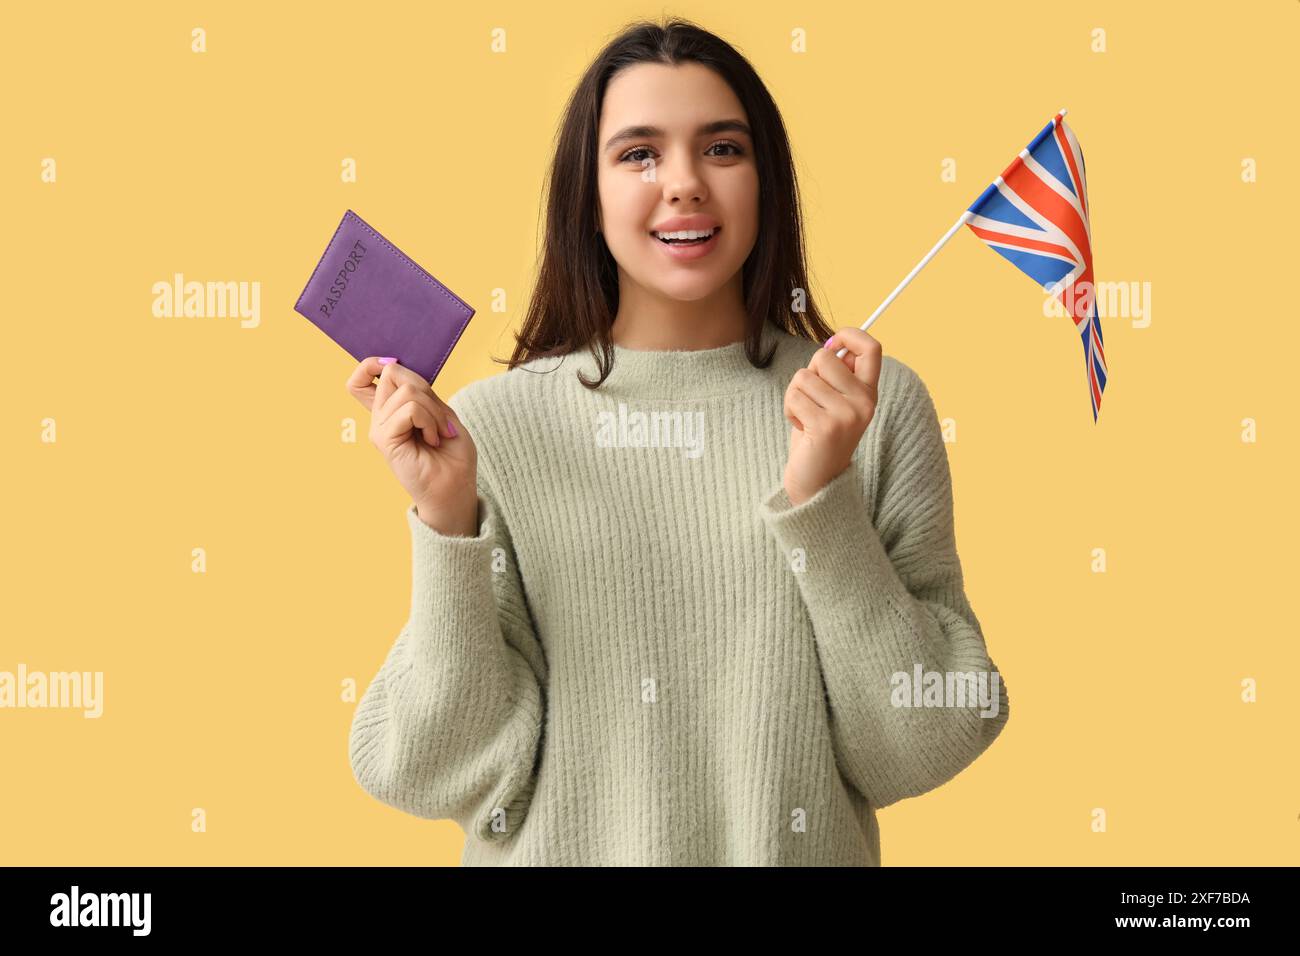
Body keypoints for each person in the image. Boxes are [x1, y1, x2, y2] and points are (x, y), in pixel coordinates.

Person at [344, 17, 1009, 866]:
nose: (685, 183)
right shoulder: (491, 430)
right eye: (638, 154)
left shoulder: (873, 410)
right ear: (587, 195)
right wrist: (447, 525)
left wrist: (821, 501)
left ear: (766, 179)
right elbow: (426, 770)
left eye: (723, 149)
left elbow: (925, 741)